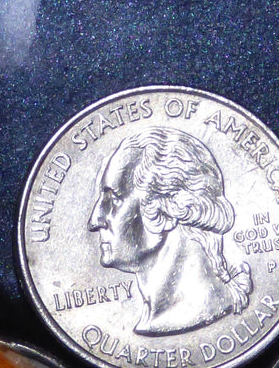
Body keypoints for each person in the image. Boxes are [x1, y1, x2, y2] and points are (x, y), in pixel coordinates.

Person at [88, 126, 252, 336]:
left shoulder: (197, 313)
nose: (95, 221)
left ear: (166, 210)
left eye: (115, 199)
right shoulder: (157, 318)